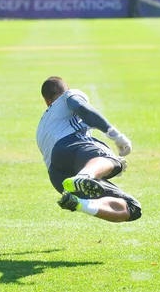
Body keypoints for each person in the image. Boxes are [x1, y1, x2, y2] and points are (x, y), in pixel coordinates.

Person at [36, 76, 142, 223]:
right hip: (71, 146)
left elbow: (60, 158)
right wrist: (114, 135)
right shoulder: (67, 96)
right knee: (112, 160)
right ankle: (86, 175)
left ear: (47, 102)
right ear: (66, 89)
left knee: (132, 208)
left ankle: (80, 204)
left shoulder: (42, 125)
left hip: (58, 176)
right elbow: (80, 106)